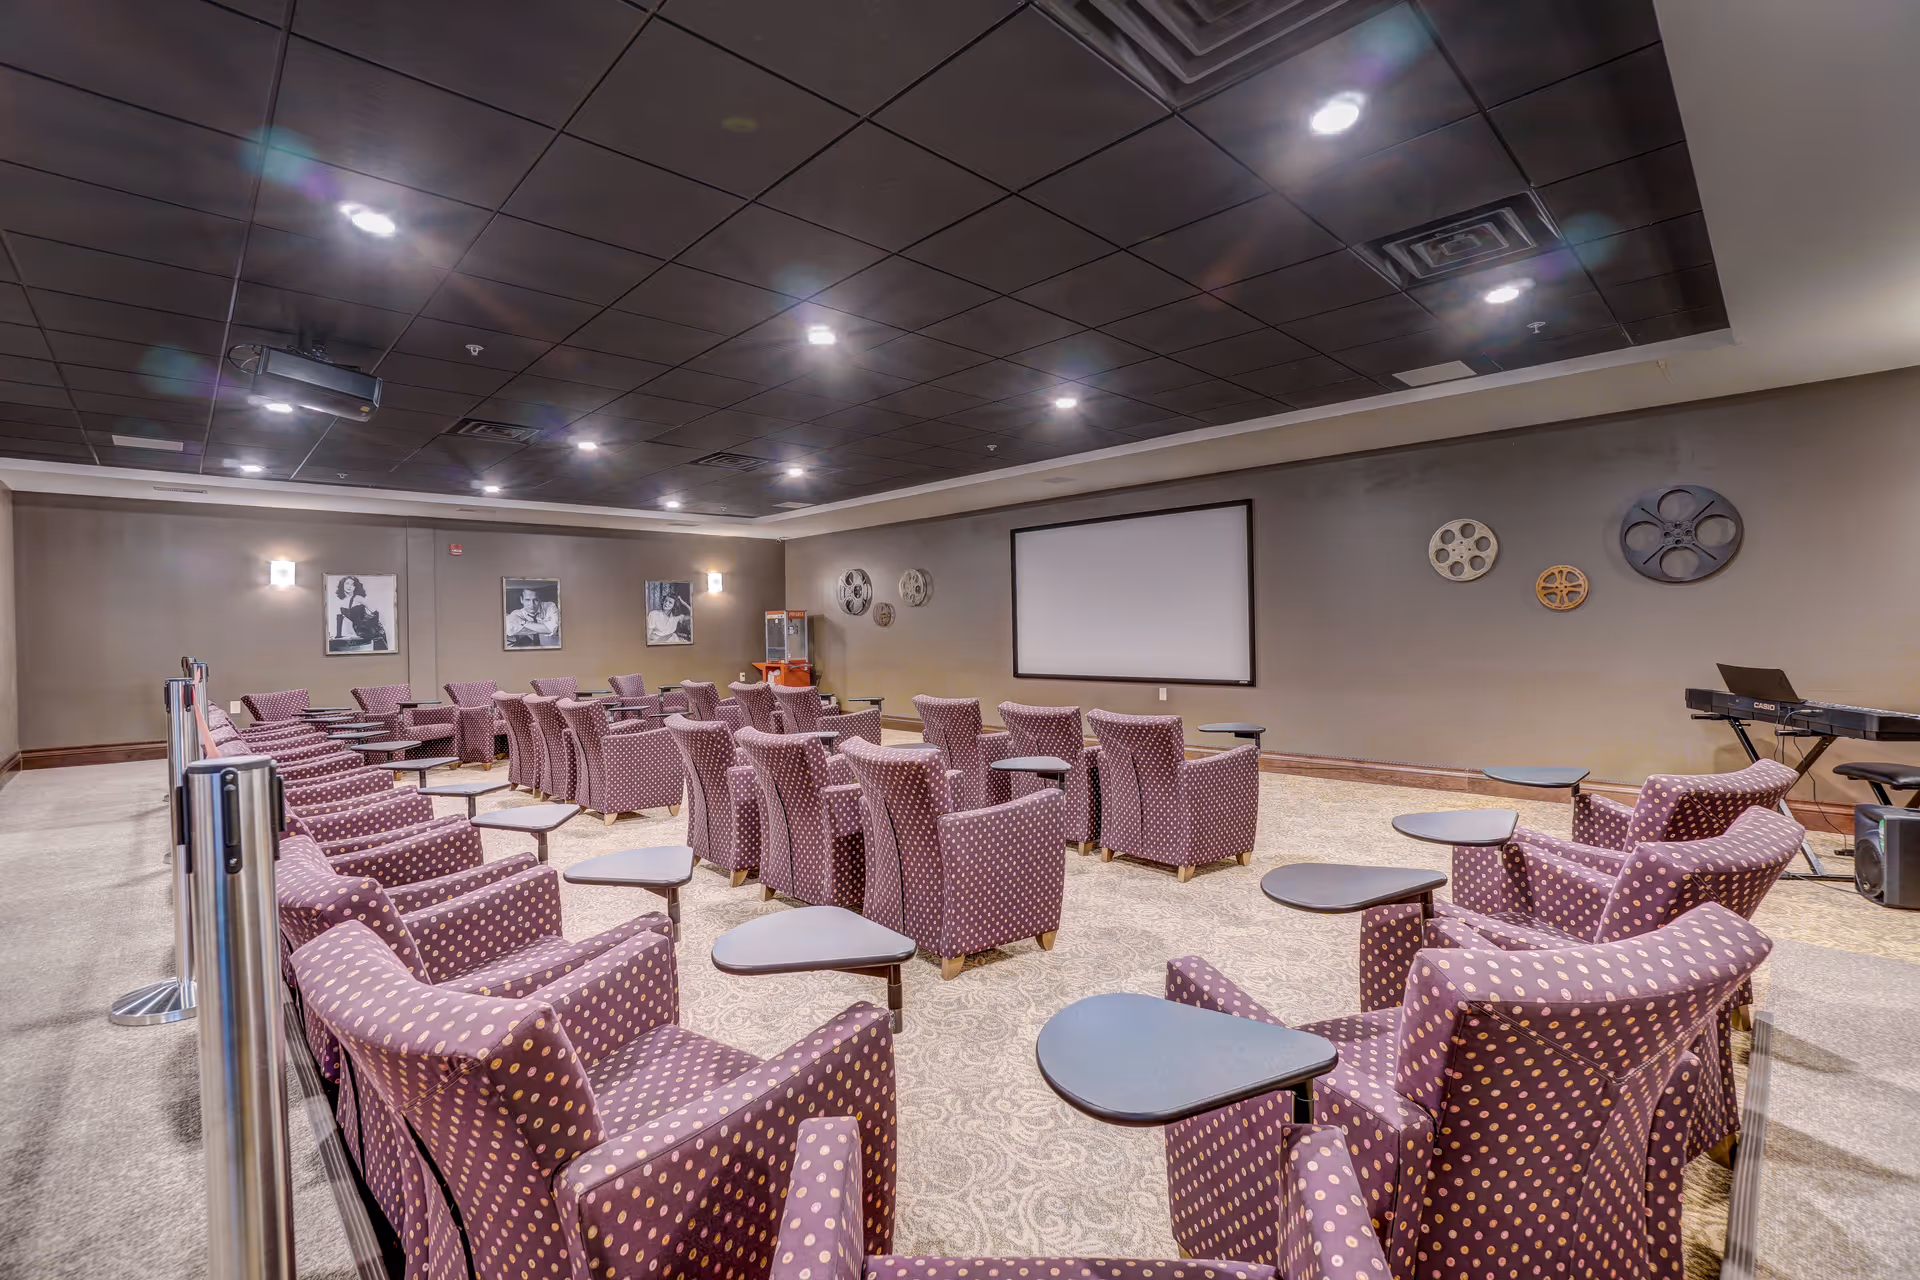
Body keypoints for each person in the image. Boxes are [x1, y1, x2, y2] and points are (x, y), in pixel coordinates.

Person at [332, 575, 388, 651]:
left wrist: (374, 627)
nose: (350, 586)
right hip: (359, 631)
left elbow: (376, 612)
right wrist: (338, 636)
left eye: (353, 585)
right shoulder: (340, 601)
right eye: (347, 583)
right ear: (342, 585)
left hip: (372, 630)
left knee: (381, 651)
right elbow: (339, 618)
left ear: (356, 587)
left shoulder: (358, 598)